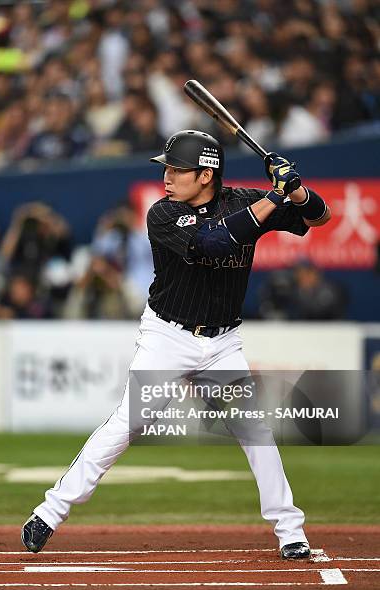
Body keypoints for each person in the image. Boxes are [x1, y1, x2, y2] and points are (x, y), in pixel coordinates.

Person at [21, 130, 331, 560]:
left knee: (255, 432)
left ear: (206, 175)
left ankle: (290, 530)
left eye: (177, 169)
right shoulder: (163, 213)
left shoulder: (244, 200)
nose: (167, 176)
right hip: (168, 336)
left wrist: (295, 188)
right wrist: (276, 198)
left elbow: (319, 218)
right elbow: (213, 242)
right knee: (127, 424)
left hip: (223, 341)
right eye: (167, 167)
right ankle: (49, 512)